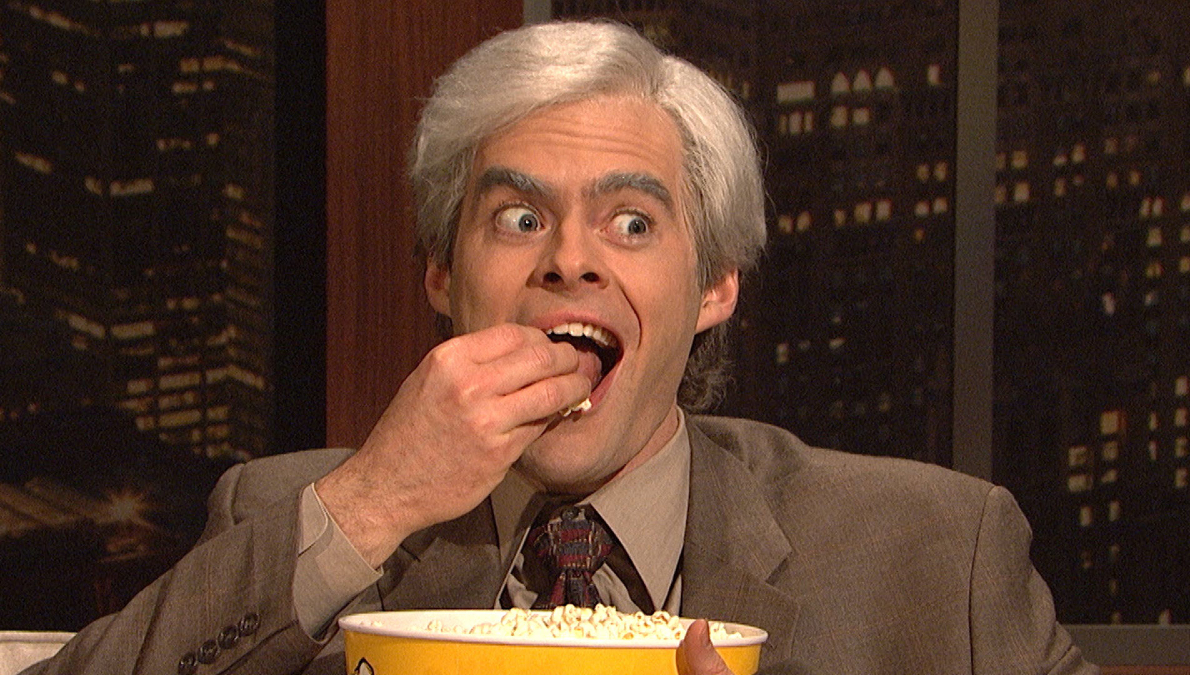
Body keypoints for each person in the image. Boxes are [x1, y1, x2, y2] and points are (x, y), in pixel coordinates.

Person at [23, 20, 1097, 675]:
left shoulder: (936, 557)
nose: (571, 260)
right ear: (442, 276)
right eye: (520, 217)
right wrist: (369, 503)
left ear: (714, 285)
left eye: (631, 221)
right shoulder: (287, 516)